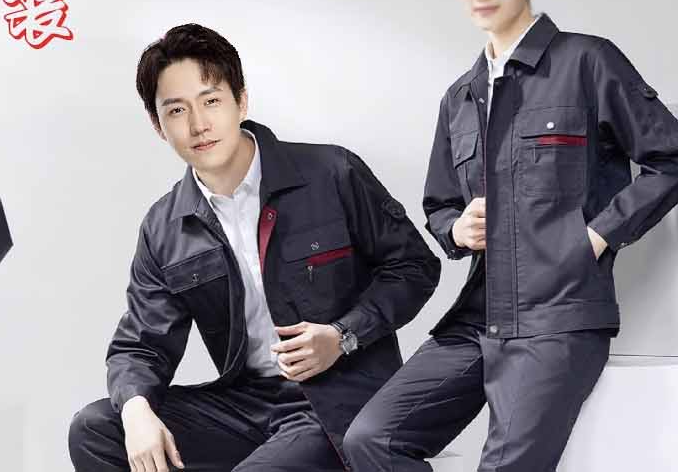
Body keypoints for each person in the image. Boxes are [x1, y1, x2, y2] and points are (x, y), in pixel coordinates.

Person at [340, 0, 678, 470]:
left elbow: (677, 159)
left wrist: (596, 237)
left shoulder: (587, 61)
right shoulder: (460, 97)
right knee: (370, 439)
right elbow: (440, 204)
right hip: (478, 317)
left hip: (556, 318)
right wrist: (455, 229)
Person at [67, 23, 441, 472]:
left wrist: (343, 336)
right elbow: (142, 344)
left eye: (211, 101)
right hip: (246, 404)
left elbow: (414, 267)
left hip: (337, 401)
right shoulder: (165, 227)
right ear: (158, 126)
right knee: (95, 429)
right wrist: (136, 410)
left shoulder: (330, 172)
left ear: (241, 102)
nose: (198, 125)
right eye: (177, 110)